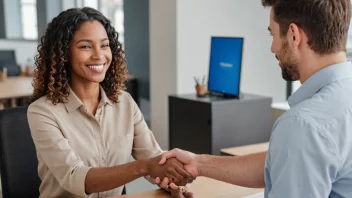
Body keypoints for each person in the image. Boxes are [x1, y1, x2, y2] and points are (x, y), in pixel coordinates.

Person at [158, 0, 352, 197]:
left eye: (273, 34)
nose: (272, 48)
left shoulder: (303, 125)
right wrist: (198, 164)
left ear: (294, 34)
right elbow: (283, 163)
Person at [27, 7, 193, 198]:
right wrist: (145, 167)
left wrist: (171, 183)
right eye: (85, 46)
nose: (99, 55)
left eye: (104, 45)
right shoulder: (42, 111)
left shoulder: (124, 102)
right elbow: (74, 177)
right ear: (63, 54)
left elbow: (152, 157)